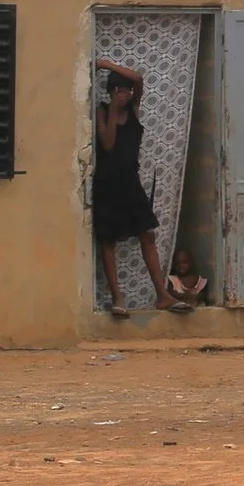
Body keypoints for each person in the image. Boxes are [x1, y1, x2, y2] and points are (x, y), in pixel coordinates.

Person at [91, 62, 172, 316]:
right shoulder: (103, 111)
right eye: (120, 90)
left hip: (130, 181)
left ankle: (163, 295)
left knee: (147, 235)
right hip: (107, 183)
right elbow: (107, 145)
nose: (126, 94)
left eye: (127, 91)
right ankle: (118, 299)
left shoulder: (135, 109)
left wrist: (104, 64)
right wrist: (113, 110)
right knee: (108, 240)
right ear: (112, 91)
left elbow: (138, 77)